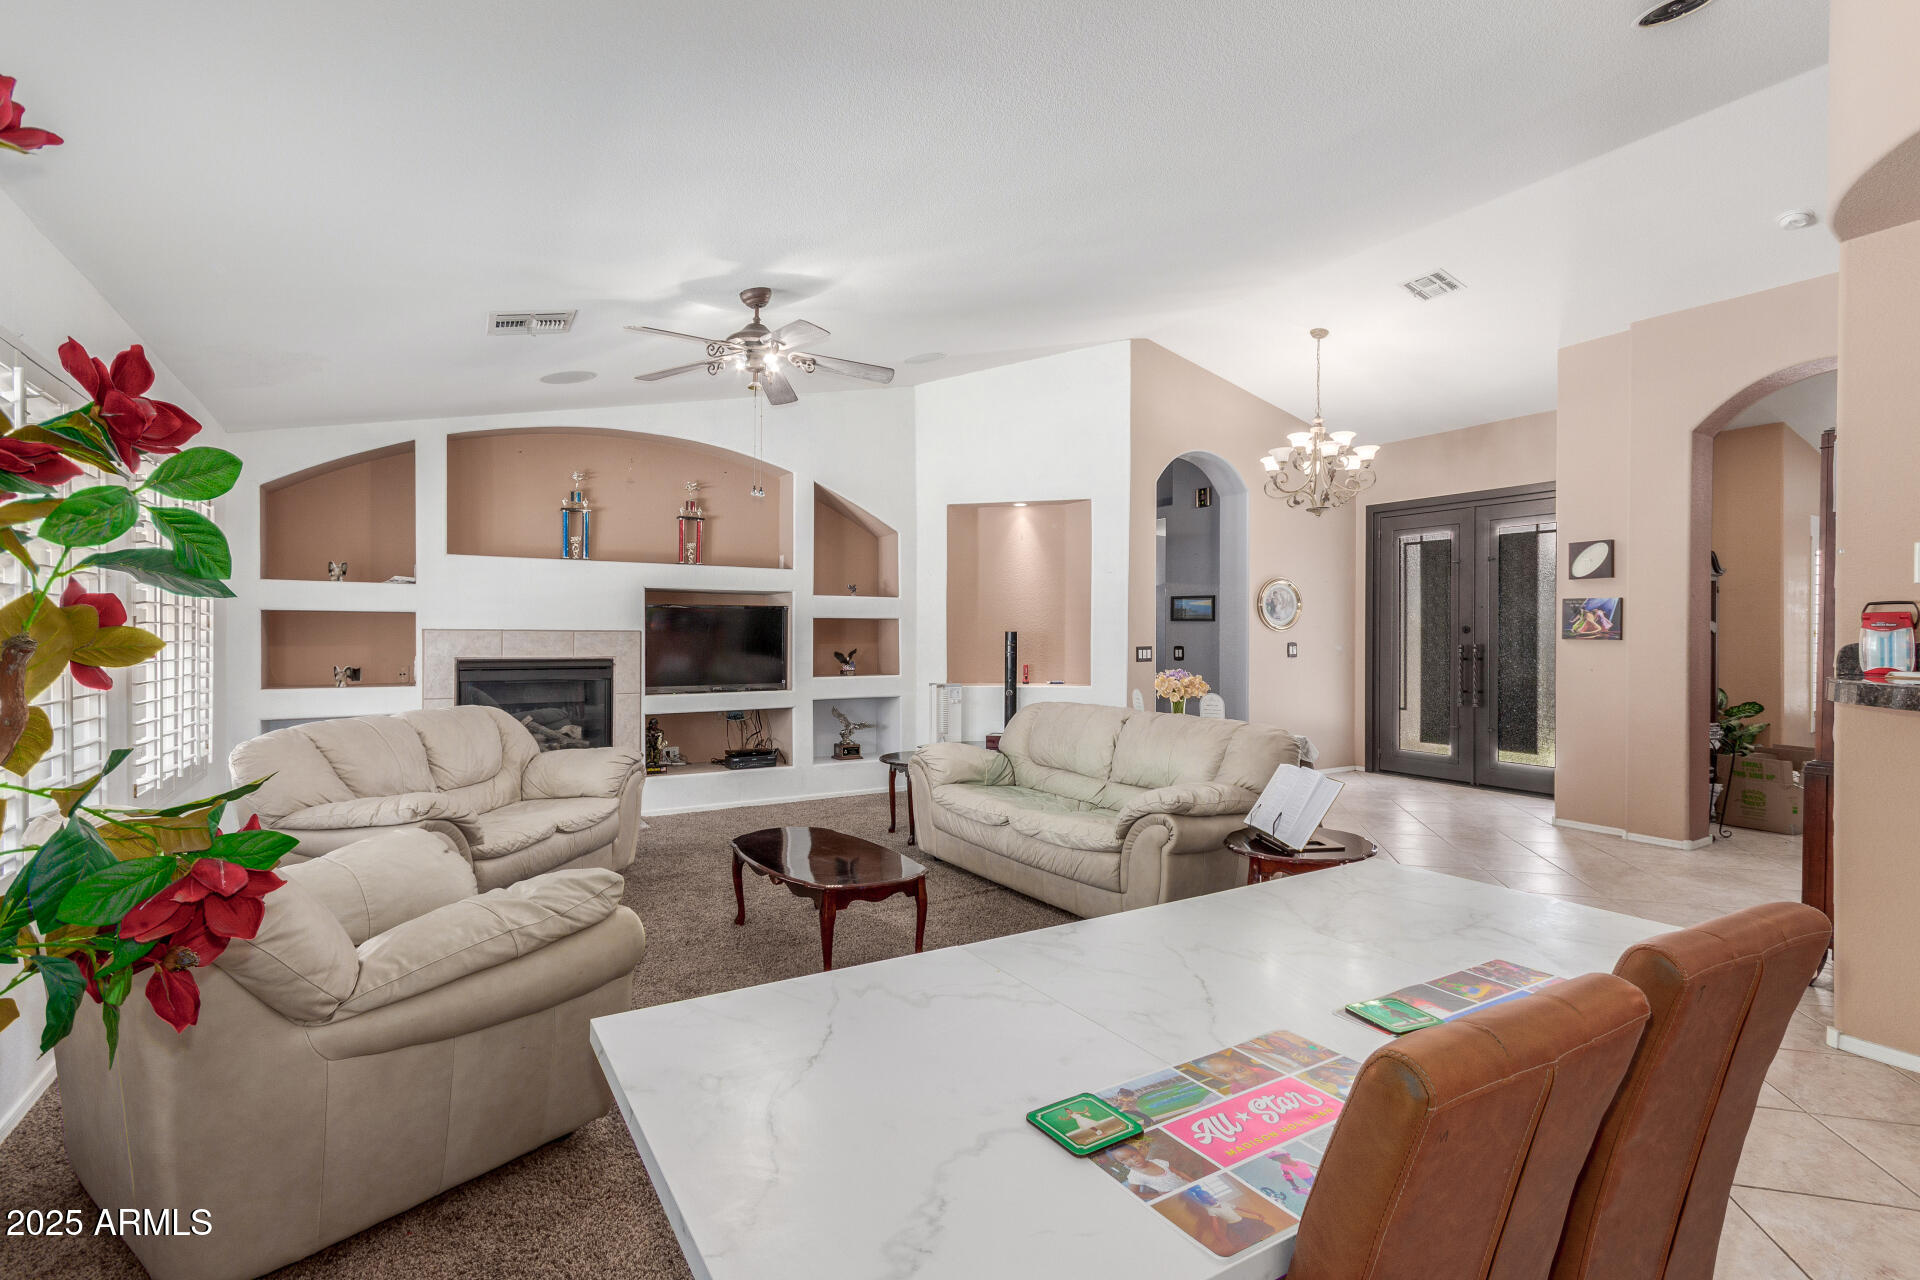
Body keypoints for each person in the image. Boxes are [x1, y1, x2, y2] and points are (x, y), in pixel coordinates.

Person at [1108, 1140, 1188, 1199]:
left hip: (1186, 1186)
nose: (1133, 1161)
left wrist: (1193, 1181)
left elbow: (1178, 1173)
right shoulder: (1135, 1176)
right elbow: (1134, 1193)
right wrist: (1158, 1196)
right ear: (1121, 1163)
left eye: (1133, 1155)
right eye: (1124, 1160)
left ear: (1139, 1152)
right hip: (1174, 1198)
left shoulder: (1158, 1162)